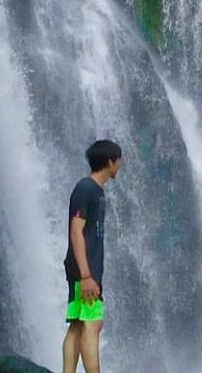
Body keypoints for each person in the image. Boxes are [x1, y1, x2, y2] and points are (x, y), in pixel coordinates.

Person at [62, 140, 122, 373]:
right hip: (84, 270)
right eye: (118, 162)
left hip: (85, 268)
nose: (119, 167)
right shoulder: (86, 189)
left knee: (78, 324)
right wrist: (86, 275)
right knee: (93, 323)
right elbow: (76, 230)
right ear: (110, 162)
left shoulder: (95, 191)